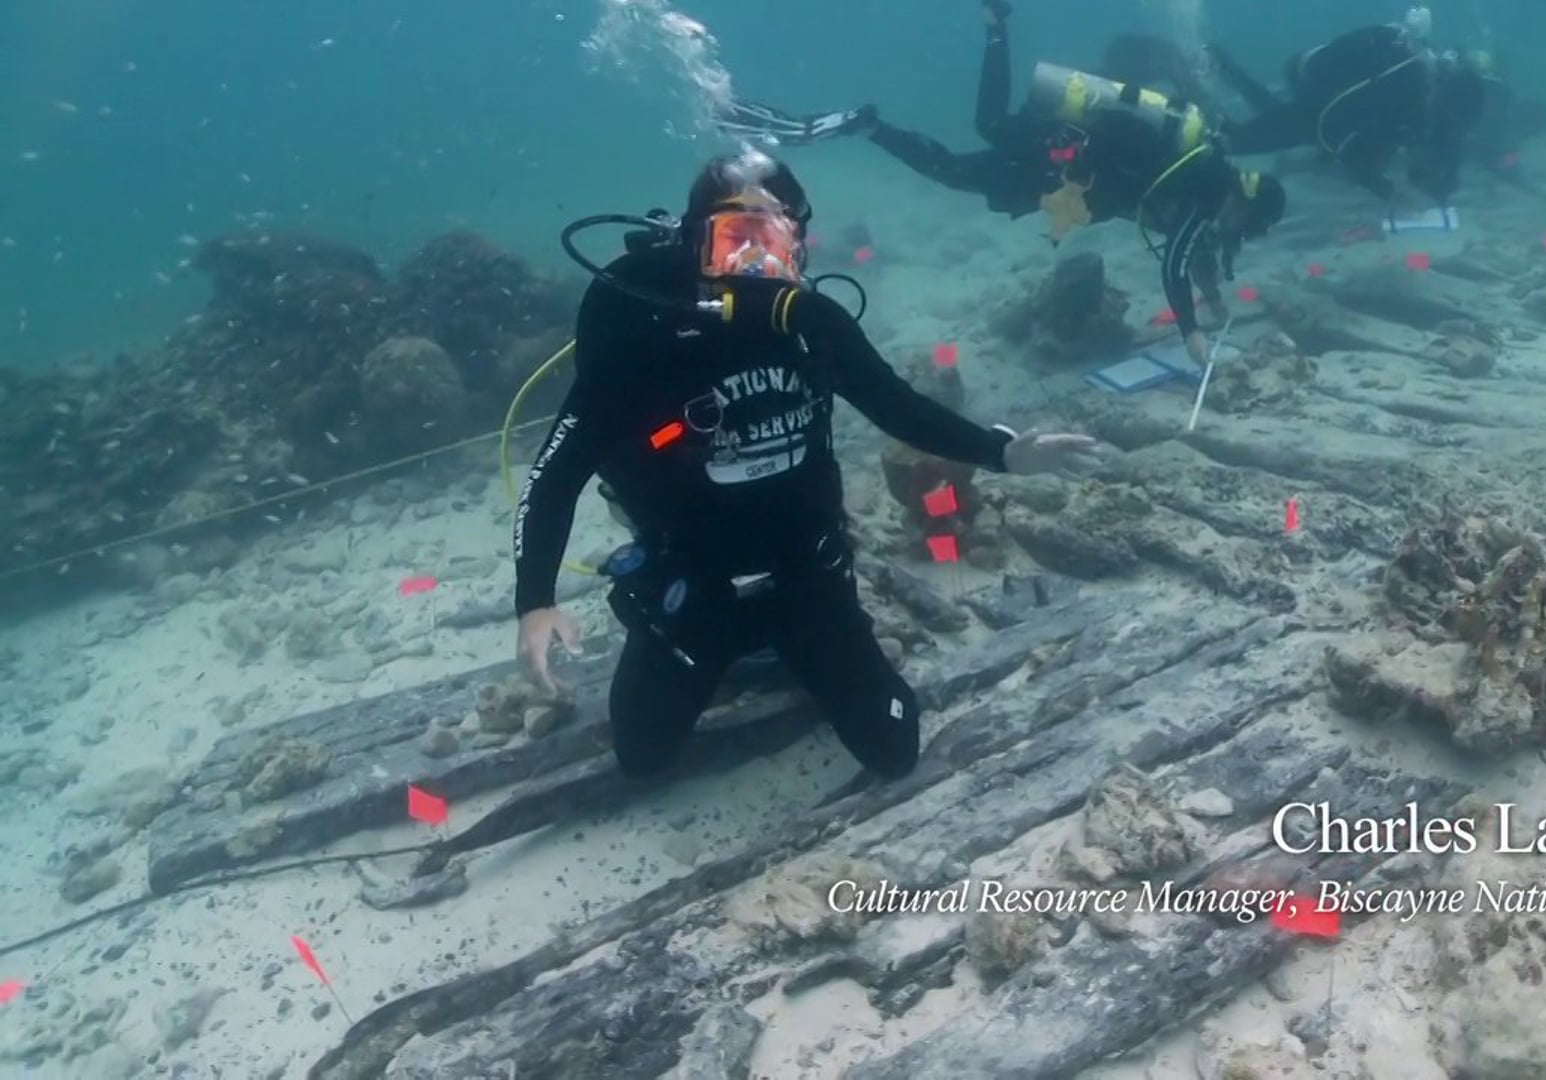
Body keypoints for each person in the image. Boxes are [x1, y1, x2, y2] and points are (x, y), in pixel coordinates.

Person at [513, 150, 1101, 782]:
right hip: (689, 570)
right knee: (643, 757)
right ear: (692, 239)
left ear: (800, 237)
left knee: (894, 752)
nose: (755, 260)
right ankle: (692, 634)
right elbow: (558, 468)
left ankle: (788, 641)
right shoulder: (641, 329)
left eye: (775, 236)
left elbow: (895, 405)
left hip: (805, 563)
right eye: (734, 237)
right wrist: (535, 601)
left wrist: (1002, 451)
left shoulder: (812, 324)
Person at [716, 0, 1286, 372]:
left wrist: (1212, 303)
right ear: (1244, 201)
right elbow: (1177, 260)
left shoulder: (1209, 174)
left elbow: (1198, 251)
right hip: (1062, 163)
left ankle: (994, 28)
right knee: (959, 173)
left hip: (1066, 149)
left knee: (988, 131)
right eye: (1250, 225)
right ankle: (874, 125)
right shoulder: (1209, 187)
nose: (1242, 231)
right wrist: (1191, 335)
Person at [1208, 6, 1488, 211]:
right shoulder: (1399, 88)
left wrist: (1442, 190)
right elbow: (1329, 129)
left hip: (1342, 106)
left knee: (1280, 117)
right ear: (1440, 99)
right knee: (1244, 140)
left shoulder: (1439, 102)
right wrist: (1385, 189)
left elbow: (1447, 142)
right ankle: (1210, 87)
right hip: (1316, 87)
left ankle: (1226, 68)